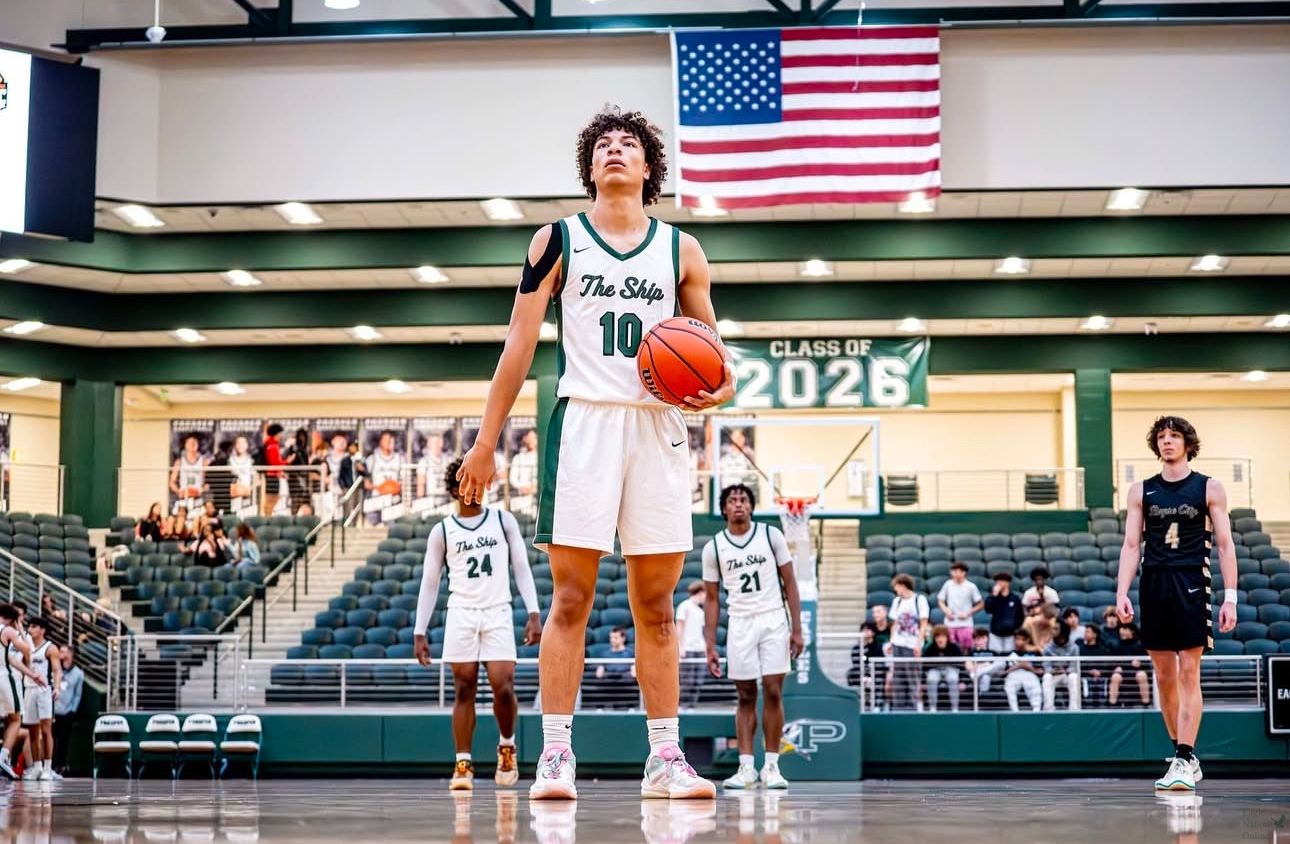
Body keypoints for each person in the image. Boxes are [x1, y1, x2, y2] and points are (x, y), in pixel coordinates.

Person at [455, 106, 734, 801]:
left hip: (659, 428)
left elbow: (718, 363)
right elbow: (518, 345)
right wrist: (485, 444)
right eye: (603, 144)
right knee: (571, 599)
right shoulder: (555, 240)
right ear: (590, 168)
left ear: (648, 169)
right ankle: (555, 755)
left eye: (628, 144)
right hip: (583, 425)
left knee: (659, 606)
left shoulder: (683, 250)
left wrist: (717, 390)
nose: (615, 150)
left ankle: (665, 758)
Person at [1116, 415, 1238, 791]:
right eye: (1162, 437)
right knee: (1164, 677)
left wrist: (1230, 597)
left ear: (1187, 442)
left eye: (1175, 436)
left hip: (1190, 580)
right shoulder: (1141, 491)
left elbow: (1224, 545)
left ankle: (1185, 756)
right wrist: (1121, 591)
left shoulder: (1209, 487)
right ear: (1156, 445)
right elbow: (1132, 545)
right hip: (1153, 582)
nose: (1168, 441)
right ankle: (1182, 756)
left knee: (1188, 671)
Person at [415, 459, 542, 791]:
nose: (477, 489)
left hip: (498, 610)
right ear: (456, 488)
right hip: (461, 612)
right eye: (469, 483)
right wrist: (420, 630)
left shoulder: (503, 520)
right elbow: (430, 583)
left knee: (503, 683)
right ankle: (463, 762)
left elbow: (522, 568)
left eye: (481, 482)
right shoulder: (442, 530)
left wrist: (533, 612)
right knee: (463, 687)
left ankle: (507, 745)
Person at [701, 484, 803, 790]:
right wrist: (709, 643)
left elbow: (790, 583)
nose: (738, 504)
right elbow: (711, 598)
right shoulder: (714, 547)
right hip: (740, 623)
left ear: (751, 506)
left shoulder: (771, 536)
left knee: (773, 690)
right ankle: (746, 767)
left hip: (773, 618)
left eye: (743, 499)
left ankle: (771, 766)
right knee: (745, 694)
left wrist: (797, 629)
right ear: (724, 509)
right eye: (732, 500)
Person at [20, 618, 59, 780]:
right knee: (33, 732)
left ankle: (48, 768)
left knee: (45, 730)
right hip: (29, 689)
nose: (31, 629)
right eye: (29, 626)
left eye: (34, 626)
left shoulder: (50, 648)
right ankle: (37, 766)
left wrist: (57, 687)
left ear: (42, 630)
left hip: (44, 690)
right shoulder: (26, 645)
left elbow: (57, 670)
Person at [52, 645, 82, 776]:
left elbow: (77, 694)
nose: (60, 653)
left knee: (63, 741)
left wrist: (72, 710)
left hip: (66, 712)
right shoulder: (55, 669)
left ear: (70, 655)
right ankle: (49, 765)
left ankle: (60, 766)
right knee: (50, 739)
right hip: (53, 711)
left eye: (63, 651)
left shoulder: (78, 674)